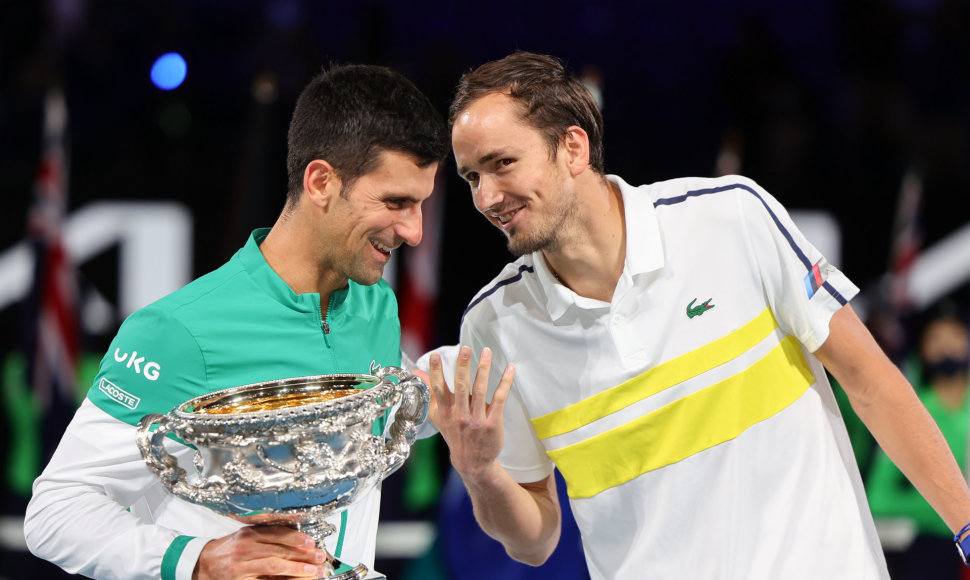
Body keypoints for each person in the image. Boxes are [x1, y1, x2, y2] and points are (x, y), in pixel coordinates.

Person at [421, 51, 970, 579]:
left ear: (573, 148)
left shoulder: (731, 216)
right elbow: (535, 542)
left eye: (503, 164)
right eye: (472, 177)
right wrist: (478, 469)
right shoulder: (495, 325)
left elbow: (870, 382)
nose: (487, 196)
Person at [24, 63, 448, 580]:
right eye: (396, 202)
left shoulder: (374, 304)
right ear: (320, 182)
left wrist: (451, 388)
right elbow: (57, 510)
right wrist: (198, 560)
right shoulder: (177, 331)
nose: (415, 231)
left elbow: (380, 407)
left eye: (421, 204)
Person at [867, 305, 970, 579]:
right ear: (922, 350)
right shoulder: (909, 412)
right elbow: (878, 498)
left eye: (956, 336)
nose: (947, 346)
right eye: (936, 339)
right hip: (935, 549)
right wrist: (948, 510)